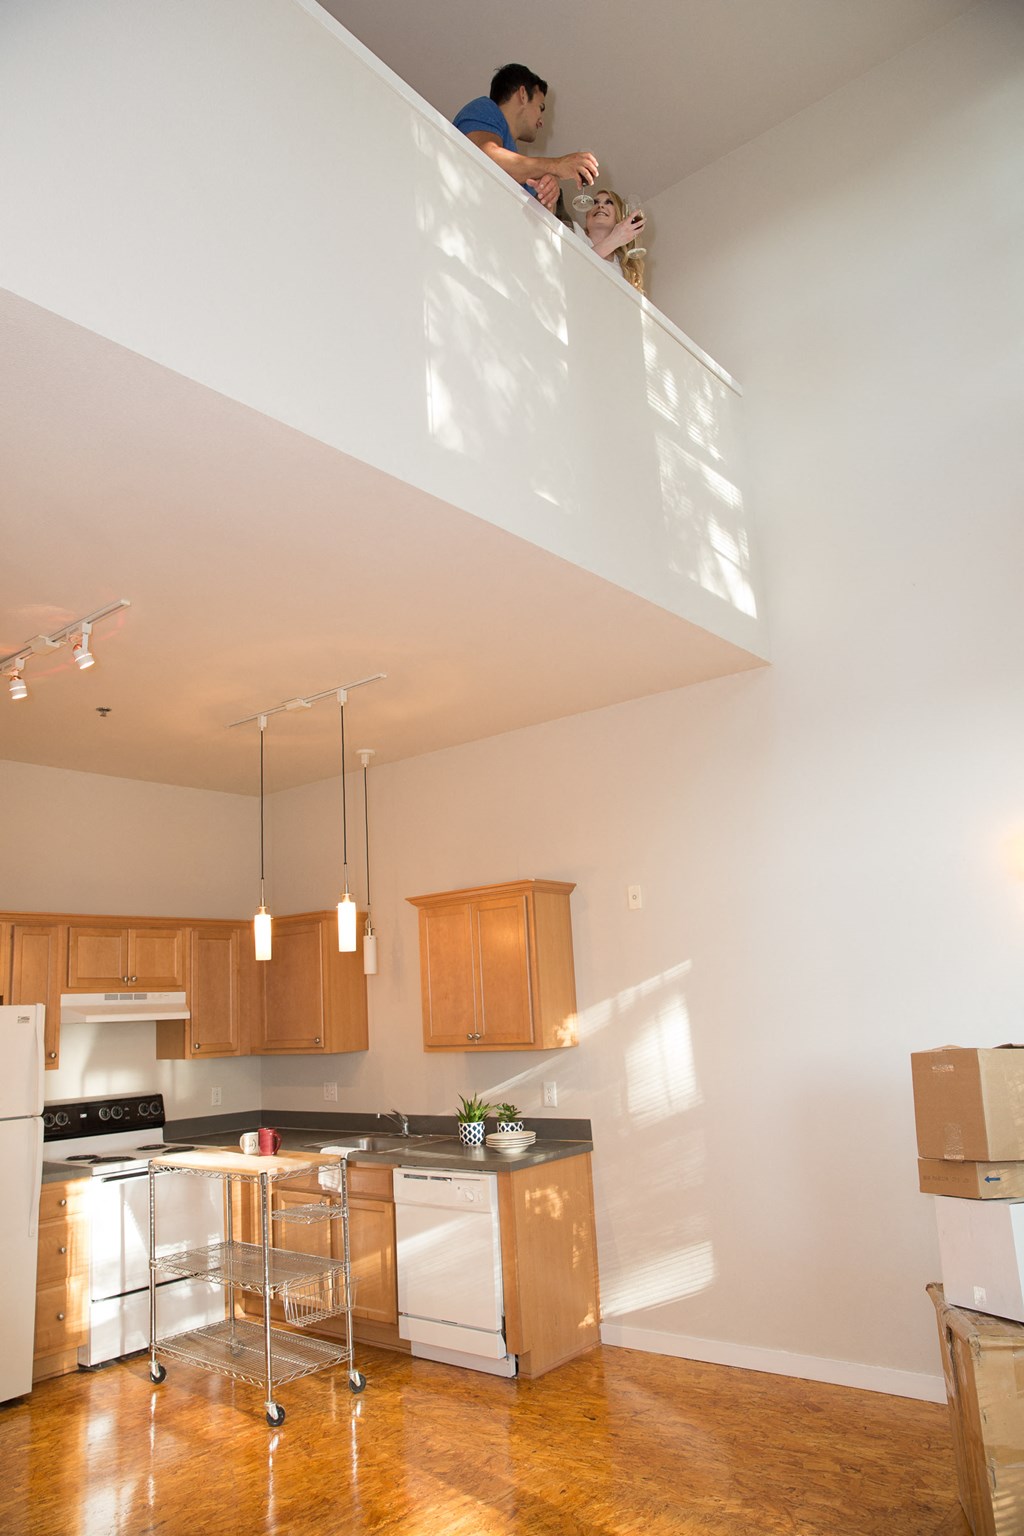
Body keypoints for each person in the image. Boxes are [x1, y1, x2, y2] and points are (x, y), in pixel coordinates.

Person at [453, 63, 598, 214]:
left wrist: (549, 195)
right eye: (541, 107)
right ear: (522, 95)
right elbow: (484, 158)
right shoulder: (484, 107)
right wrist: (556, 165)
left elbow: (532, 218)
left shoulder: (522, 171)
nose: (541, 122)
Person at [583, 189, 647, 295]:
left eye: (609, 202)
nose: (600, 206)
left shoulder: (624, 270)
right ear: (587, 216)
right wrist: (613, 241)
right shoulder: (573, 232)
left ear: (619, 217)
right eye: (595, 202)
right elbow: (570, 267)